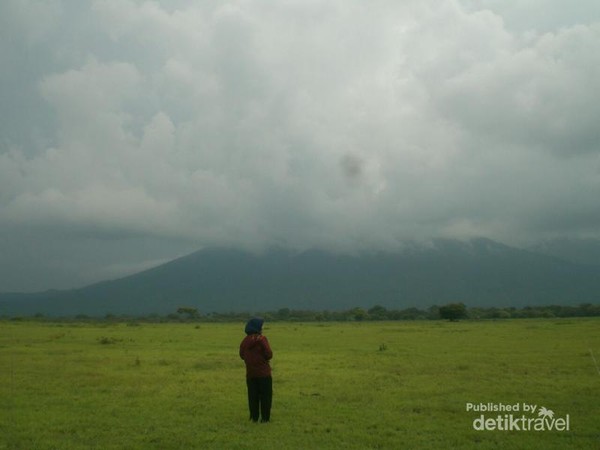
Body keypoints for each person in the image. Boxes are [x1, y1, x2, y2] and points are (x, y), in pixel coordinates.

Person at [239, 317, 273, 423]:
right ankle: (265, 418)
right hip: (264, 373)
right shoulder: (262, 339)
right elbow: (269, 354)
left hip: (250, 373)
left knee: (252, 396)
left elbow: (241, 355)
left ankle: (254, 417)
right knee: (265, 397)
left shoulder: (245, 341)